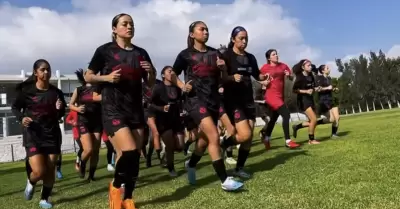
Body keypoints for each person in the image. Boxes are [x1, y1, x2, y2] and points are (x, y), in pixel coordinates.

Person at [84, 13, 156, 209]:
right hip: (112, 109)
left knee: (133, 158)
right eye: (125, 24)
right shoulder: (104, 51)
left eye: (132, 23)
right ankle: (115, 188)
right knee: (130, 151)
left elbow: (149, 82)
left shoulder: (141, 52)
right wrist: (106, 78)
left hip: (135, 110)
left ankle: (127, 199)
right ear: (115, 29)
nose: (129, 27)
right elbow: (88, 76)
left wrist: (151, 72)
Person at [171, 20, 243, 191]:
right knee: (214, 135)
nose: (205, 32)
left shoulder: (215, 53)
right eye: (201, 29)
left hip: (213, 100)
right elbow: (172, 73)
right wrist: (182, 86)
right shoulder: (185, 55)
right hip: (195, 100)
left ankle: (191, 163)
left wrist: (224, 68)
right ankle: (225, 180)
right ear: (192, 34)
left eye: (207, 29)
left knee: (204, 140)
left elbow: (224, 77)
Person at [12, 59, 66, 209]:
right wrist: (22, 118)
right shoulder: (27, 92)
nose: (46, 72)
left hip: (52, 135)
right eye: (43, 69)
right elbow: (15, 108)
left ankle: (44, 199)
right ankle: (31, 181)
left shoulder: (57, 93)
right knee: (39, 171)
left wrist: (59, 109)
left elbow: (60, 114)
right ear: (36, 72)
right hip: (33, 134)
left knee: (50, 169)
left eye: (48, 69)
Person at [219, 26, 270, 178]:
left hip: (248, 99)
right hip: (233, 100)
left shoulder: (251, 57)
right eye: (241, 38)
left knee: (249, 138)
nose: (244, 41)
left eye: (246, 38)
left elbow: (256, 75)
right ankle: (223, 144)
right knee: (245, 134)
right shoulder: (226, 56)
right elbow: (220, 77)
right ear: (233, 39)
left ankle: (239, 168)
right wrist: (231, 77)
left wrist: (264, 78)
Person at [259, 49, 300, 149]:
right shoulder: (265, 67)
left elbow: (291, 78)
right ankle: (288, 141)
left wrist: (288, 76)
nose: (276, 55)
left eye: (276, 53)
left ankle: (266, 138)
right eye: (274, 54)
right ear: (269, 58)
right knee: (286, 114)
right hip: (271, 96)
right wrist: (264, 77)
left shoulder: (283, 66)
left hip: (280, 96)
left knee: (273, 119)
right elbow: (259, 76)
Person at [69, 69, 102, 182]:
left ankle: (91, 176)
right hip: (84, 121)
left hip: (97, 121)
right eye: (88, 73)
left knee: (96, 150)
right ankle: (82, 164)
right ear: (84, 76)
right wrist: (77, 108)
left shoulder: (99, 88)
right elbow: (71, 105)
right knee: (88, 149)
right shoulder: (79, 90)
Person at [149, 66, 183, 176]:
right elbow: (150, 104)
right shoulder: (158, 88)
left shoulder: (177, 88)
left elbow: (181, 101)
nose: (172, 72)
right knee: (170, 146)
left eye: (173, 70)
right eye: (169, 71)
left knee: (180, 146)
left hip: (176, 119)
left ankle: (164, 154)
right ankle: (171, 168)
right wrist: (161, 108)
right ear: (163, 75)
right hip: (163, 121)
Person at [291, 59, 322, 144]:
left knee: (313, 121)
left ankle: (297, 127)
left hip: (310, 99)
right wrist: (305, 91)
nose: (310, 67)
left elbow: (312, 87)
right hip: (303, 100)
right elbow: (294, 90)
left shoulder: (311, 76)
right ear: (303, 67)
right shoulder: (299, 77)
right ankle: (311, 140)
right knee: (314, 119)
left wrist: (316, 89)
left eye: (311, 65)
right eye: (308, 65)